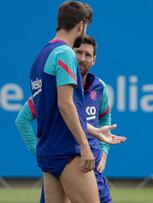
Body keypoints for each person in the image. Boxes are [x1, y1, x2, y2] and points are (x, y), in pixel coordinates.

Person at [27, 1, 123, 202]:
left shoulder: (40, 56)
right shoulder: (65, 53)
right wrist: (85, 147)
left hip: (48, 153)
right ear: (81, 25)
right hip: (68, 151)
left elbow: (53, 109)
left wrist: (94, 131)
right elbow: (65, 104)